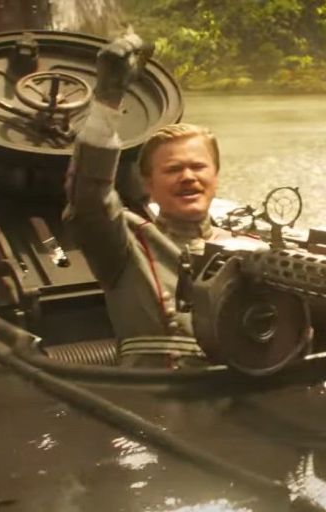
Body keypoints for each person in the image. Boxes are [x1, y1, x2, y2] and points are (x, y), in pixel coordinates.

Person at [63, 32, 228, 368]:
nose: (188, 177)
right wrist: (108, 99)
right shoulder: (128, 245)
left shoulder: (251, 248)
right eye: (173, 169)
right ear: (147, 184)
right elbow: (90, 200)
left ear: (216, 177)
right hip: (156, 391)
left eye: (198, 167)